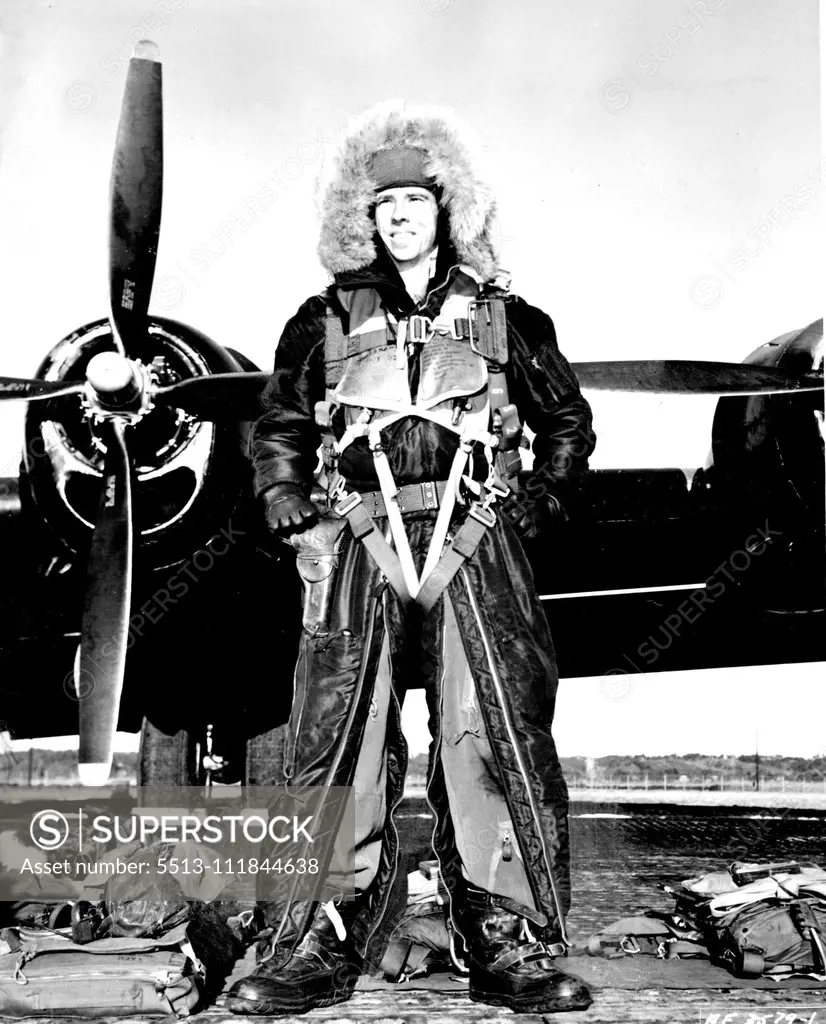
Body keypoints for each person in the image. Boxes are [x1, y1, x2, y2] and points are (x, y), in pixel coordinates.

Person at [227, 101, 596, 1016]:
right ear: (363, 216)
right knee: (337, 744)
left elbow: (567, 425)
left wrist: (533, 510)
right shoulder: (322, 321)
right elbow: (277, 428)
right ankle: (315, 941)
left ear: (445, 209)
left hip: (475, 546)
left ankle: (506, 938)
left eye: (413, 201)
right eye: (380, 202)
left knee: (488, 736)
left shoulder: (510, 319)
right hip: (360, 542)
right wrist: (291, 514)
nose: (396, 215)